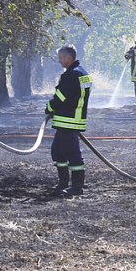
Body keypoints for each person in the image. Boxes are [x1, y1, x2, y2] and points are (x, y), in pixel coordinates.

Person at [46, 45, 92, 197]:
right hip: (73, 119)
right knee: (57, 152)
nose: (59, 61)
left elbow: (60, 97)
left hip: (67, 120)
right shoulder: (83, 73)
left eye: (61, 57)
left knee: (73, 154)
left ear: (68, 57)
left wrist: (49, 108)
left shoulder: (70, 75)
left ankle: (77, 187)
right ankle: (63, 183)